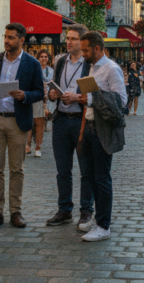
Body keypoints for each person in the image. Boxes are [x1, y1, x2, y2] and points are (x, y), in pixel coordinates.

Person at [0, 23, 45, 228]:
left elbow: (39, 92)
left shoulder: (32, 63)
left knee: (17, 168)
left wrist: (25, 95)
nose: (7, 41)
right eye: (5, 37)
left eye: (11, 37)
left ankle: (16, 211)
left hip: (18, 120)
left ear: (22, 40)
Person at [76, 31, 127, 242]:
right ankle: (97, 218)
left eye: (86, 50)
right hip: (87, 126)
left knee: (102, 178)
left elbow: (121, 101)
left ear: (98, 48)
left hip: (102, 129)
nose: (83, 53)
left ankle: (104, 225)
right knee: (89, 176)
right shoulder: (91, 66)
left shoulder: (111, 69)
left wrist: (92, 98)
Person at [45, 25, 94, 228]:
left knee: (86, 169)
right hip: (62, 120)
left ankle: (86, 210)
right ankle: (64, 209)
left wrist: (77, 97)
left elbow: (92, 96)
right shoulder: (60, 61)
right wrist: (52, 94)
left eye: (73, 39)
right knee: (62, 169)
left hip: (81, 120)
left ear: (82, 42)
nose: (69, 42)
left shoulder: (89, 64)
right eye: (68, 38)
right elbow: (54, 87)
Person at [26, 49, 52, 157]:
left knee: (39, 123)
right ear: (38, 58)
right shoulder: (33, 68)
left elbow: (52, 83)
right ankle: (27, 145)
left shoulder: (51, 70)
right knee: (28, 122)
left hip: (44, 99)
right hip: (34, 96)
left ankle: (38, 146)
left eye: (46, 57)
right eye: (42, 56)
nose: (44, 58)